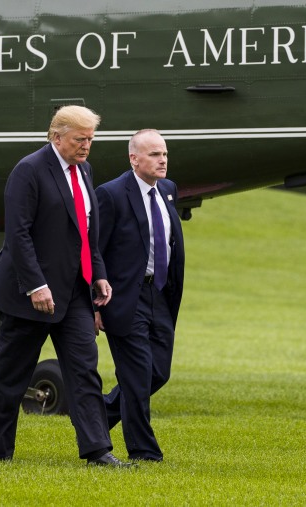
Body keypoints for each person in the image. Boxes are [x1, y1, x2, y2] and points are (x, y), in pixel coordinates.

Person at [0, 105, 133, 467]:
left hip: (75, 293)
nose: (86, 146)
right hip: (29, 295)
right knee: (10, 376)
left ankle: (98, 452)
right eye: (80, 139)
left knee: (84, 371)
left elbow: (86, 231)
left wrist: (98, 273)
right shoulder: (29, 170)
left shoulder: (85, 171)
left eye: (90, 140)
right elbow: (17, 234)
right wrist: (36, 285)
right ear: (57, 136)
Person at [94, 129, 185, 462]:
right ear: (134, 158)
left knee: (158, 372)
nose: (162, 160)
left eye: (164, 154)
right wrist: (94, 304)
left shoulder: (169, 191)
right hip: (122, 298)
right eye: (153, 155)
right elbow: (94, 250)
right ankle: (144, 452)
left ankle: (97, 418)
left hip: (159, 295)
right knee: (135, 377)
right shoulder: (111, 194)